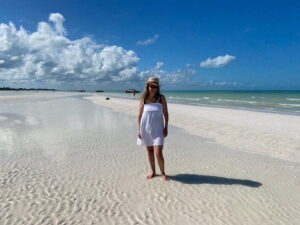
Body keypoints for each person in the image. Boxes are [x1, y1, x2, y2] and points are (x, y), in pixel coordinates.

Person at [136, 77, 170, 181]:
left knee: (158, 153)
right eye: (152, 86)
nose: (154, 88)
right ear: (148, 86)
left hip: (158, 130)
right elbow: (139, 115)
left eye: (156, 86)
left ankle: (163, 173)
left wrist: (166, 127)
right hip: (145, 128)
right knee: (150, 151)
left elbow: (166, 113)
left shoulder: (161, 98)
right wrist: (139, 130)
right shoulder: (143, 98)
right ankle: (153, 172)